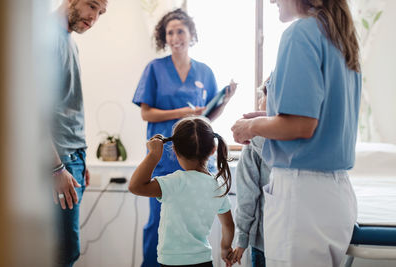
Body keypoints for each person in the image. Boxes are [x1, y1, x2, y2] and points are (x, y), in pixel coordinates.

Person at [231, 0, 361, 266]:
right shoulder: (340, 38)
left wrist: (251, 127)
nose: (272, 1)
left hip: (303, 198)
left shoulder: (301, 33)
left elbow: (300, 125)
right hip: (335, 196)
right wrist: (271, 119)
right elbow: (318, 119)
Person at [132, 8, 236, 266]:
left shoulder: (205, 71)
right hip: (164, 162)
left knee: (193, 225)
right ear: (163, 38)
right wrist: (184, 112)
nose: (175, 36)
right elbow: (147, 113)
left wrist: (224, 100)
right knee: (158, 224)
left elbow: (207, 117)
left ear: (191, 34)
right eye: (170, 32)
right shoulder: (155, 69)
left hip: (197, 162)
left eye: (180, 30)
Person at [129, 116, 235, 267]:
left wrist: (153, 155)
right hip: (204, 260)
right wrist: (225, 248)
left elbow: (135, 186)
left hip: (172, 262)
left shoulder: (173, 183)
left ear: (175, 149)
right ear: (213, 149)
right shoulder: (218, 185)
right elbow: (228, 225)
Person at [52, 0, 107, 266]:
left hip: (72, 159)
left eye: (100, 12)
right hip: (57, 164)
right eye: (92, 6)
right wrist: (56, 168)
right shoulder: (45, 38)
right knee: (62, 254)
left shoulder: (68, 40)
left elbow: (67, 106)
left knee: (66, 251)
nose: (94, 17)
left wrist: (81, 157)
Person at [232, 83, 270, 267]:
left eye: (263, 96)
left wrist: (242, 238)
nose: (259, 101)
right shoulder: (303, 140)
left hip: (264, 240)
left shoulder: (254, 141)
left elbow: (247, 195)